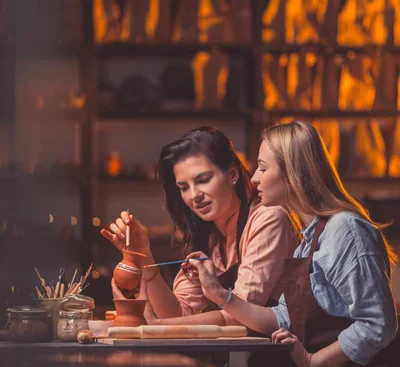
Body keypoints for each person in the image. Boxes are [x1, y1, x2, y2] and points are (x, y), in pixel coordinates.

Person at [185, 121, 399, 367]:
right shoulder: (309, 239)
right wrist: (220, 295)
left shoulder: (346, 230)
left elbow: (377, 325)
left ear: (293, 173)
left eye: (262, 167)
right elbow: (281, 317)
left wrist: (313, 362)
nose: (253, 178)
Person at [101, 126, 299, 327]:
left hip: (285, 354)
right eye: (184, 188)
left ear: (232, 174)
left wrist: (158, 325)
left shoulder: (267, 220)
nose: (194, 195)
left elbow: (240, 317)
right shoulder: (208, 236)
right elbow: (178, 313)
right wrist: (143, 255)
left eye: (203, 180)